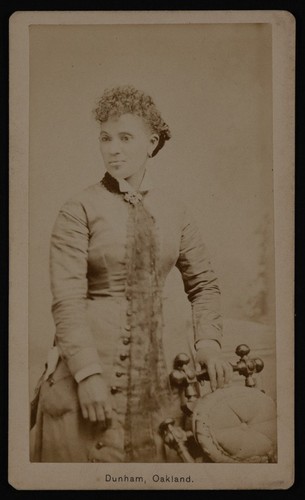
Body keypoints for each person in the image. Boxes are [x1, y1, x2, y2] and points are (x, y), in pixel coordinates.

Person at [31, 85, 233, 463]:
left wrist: (208, 343)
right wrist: (87, 374)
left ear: (151, 143)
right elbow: (67, 300)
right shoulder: (79, 209)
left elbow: (204, 284)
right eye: (106, 138)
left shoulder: (176, 210)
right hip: (90, 375)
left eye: (126, 137)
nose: (113, 148)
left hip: (164, 381)